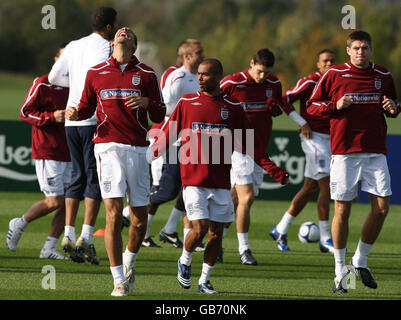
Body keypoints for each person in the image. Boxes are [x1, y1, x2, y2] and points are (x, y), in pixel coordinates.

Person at [151, 58, 289, 294]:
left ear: (218, 76)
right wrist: (148, 154)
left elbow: (251, 145)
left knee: (216, 234)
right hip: (193, 181)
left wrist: (273, 168)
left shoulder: (233, 107)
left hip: (221, 184)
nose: (200, 78)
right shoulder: (187, 102)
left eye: (205, 74)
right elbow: (167, 134)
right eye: (200, 74)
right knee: (201, 228)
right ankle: (184, 260)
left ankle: (204, 280)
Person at [66, 27, 166, 296]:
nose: (123, 31)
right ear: (113, 43)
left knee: (139, 219)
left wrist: (147, 102)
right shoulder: (95, 73)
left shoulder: (146, 74)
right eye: (120, 30)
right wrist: (75, 113)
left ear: (133, 45)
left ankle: (130, 262)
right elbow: (85, 108)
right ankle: (118, 279)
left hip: (136, 149)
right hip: (107, 148)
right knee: (112, 213)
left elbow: (160, 113)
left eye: (129, 32)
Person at [307, 30, 400, 293]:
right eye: (356, 48)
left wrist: (393, 108)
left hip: (375, 151)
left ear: (371, 50)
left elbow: (392, 105)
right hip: (345, 153)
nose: (361, 52)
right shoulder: (334, 74)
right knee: (343, 211)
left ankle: (359, 260)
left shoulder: (382, 75)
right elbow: (312, 106)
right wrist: (334, 106)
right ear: (348, 50)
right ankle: (339, 271)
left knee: (382, 208)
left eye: (365, 48)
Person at [48, 6, 117, 264]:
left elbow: (55, 76)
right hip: (93, 118)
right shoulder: (106, 48)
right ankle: (86, 238)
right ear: (110, 27)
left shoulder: (74, 45)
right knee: (94, 179)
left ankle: (68, 234)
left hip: (69, 119)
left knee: (77, 175)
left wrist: (75, 83)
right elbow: (105, 80)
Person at [219, 48, 285, 265]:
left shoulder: (273, 84)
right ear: (251, 63)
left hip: (260, 149)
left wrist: (275, 108)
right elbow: (215, 103)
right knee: (247, 198)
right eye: (259, 71)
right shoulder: (232, 83)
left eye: (266, 73)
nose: (262, 76)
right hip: (238, 147)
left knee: (235, 200)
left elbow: (277, 108)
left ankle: (216, 240)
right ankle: (244, 249)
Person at [7, 44, 70, 260]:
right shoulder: (42, 83)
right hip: (48, 151)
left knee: (69, 202)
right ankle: (19, 223)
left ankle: (49, 248)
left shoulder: (79, 85)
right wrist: (52, 117)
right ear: (55, 61)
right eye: (63, 59)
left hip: (72, 151)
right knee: (54, 201)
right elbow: (25, 112)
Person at [269, 49, 336, 253]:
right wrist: (302, 122)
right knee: (327, 188)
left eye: (332, 60)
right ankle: (325, 238)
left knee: (309, 188)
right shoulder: (310, 82)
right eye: (325, 61)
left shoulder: (339, 81)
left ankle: (280, 228)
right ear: (318, 64)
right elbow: (283, 99)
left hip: (330, 140)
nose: (329, 64)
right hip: (313, 139)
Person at [140, 39, 205, 249]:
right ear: (187, 56)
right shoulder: (178, 77)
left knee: (190, 188)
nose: (202, 55)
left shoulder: (199, 78)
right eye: (198, 52)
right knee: (167, 190)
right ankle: (131, 214)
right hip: (175, 142)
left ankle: (177, 233)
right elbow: (163, 108)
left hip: (194, 142)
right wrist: (186, 113)